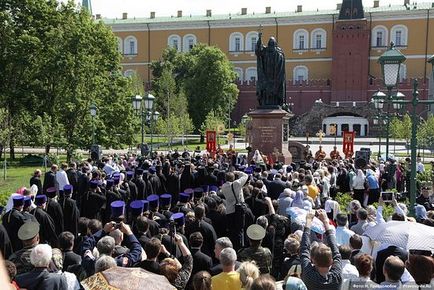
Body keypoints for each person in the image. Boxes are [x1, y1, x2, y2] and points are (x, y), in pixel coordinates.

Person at [300, 209, 342, 290]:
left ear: (313, 260)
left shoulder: (309, 275)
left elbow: (304, 250)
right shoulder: (337, 277)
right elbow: (336, 252)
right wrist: (326, 222)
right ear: (331, 262)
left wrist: (308, 221)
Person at [255, 32, 286, 107]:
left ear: (275, 44)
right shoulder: (265, 51)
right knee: (264, 88)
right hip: (266, 76)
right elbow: (258, 51)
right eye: (270, 43)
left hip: (275, 77)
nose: (271, 45)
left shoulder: (279, 53)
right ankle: (265, 103)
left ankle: (275, 103)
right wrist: (259, 39)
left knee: (275, 89)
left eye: (272, 43)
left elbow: (280, 66)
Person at [221, 170, 249, 250]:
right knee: (240, 230)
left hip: (229, 210)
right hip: (239, 210)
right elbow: (245, 176)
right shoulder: (236, 183)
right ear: (233, 178)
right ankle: (240, 247)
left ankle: (232, 246)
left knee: (231, 231)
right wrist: (237, 172)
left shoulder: (223, 186)